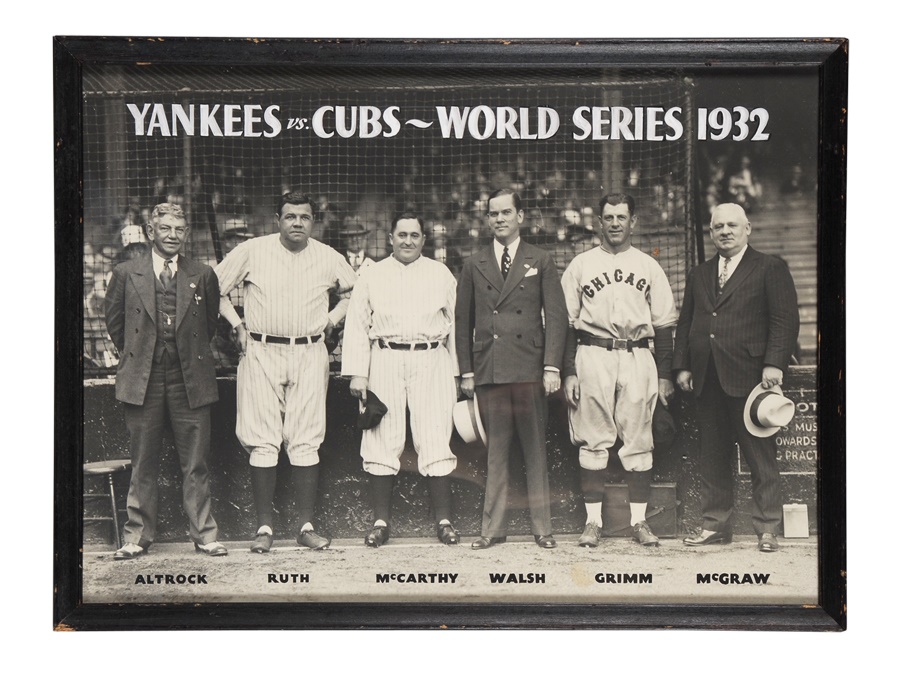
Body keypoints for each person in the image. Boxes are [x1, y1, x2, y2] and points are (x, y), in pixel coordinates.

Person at [215, 191, 356, 553]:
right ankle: (264, 528)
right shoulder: (252, 250)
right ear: (277, 219)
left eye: (304, 217)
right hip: (261, 350)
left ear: (313, 222)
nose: (297, 223)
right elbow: (210, 288)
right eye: (290, 216)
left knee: (306, 438)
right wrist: (236, 323)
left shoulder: (327, 256)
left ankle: (305, 526)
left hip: (310, 350)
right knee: (263, 440)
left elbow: (357, 292)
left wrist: (332, 318)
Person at [674, 203, 800, 552]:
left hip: (750, 379)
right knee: (712, 454)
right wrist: (682, 365)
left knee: (760, 456)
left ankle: (767, 528)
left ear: (748, 228)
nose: (725, 231)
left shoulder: (769, 267)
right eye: (718, 226)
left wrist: (774, 363)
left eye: (732, 225)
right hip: (707, 376)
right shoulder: (700, 274)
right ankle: (715, 525)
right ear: (711, 232)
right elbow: (688, 322)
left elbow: (784, 320)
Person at [104, 203, 227, 559]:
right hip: (143, 377)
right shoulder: (127, 273)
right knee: (143, 460)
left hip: (191, 377)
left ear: (185, 234)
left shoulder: (202, 273)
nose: (172, 235)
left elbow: (209, 325)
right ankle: (138, 536)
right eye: (165, 228)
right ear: (150, 231)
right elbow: (115, 323)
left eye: (179, 229)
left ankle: (204, 534)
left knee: (196, 461)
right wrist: (140, 354)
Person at [560, 194, 677, 548]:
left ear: (633, 221)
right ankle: (593, 523)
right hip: (592, 352)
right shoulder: (580, 265)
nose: (614, 223)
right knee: (593, 438)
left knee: (639, 439)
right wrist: (568, 370)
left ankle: (639, 521)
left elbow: (664, 325)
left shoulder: (648, 266)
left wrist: (666, 373)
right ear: (599, 222)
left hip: (638, 354)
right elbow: (566, 323)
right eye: (608, 217)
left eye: (621, 217)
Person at [455, 188, 567, 550]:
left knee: (535, 451)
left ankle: (542, 528)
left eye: (506, 212)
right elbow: (461, 322)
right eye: (493, 214)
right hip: (491, 370)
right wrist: (467, 372)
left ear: (520, 217)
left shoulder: (542, 259)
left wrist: (552, 367)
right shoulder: (474, 264)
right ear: (487, 219)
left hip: (531, 370)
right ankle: (492, 530)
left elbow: (557, 317)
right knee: (496, 453)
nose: (499, 219)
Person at [342, 211, 460, 547]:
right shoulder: (373, 275)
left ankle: (444, 520)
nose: (407, 241)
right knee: (381, 438)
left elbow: (456, 325)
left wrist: (456, 373)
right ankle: (381, 522)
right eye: (401, 235)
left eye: (414, 235)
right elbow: (357, 324)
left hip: (431, 357)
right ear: (390, 238)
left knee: (435, 435)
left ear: (424, 239)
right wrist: (358, 373)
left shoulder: (441, 274)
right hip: (385, 357)